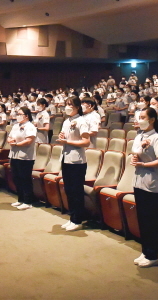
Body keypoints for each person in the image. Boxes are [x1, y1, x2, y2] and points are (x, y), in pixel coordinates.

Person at [131, 107, 158, 268]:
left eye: (143, 117)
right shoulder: (139, 135)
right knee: (142, 219)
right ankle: (145, 251)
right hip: (139, 180)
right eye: (139, 117)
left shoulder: (157, 138)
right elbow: (135, 153)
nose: (140, 120)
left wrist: (144, 163)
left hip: (151, 183)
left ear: (152, 119)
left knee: (151, 220)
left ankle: (152, 254)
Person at [57, 96, 90, 232]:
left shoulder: (81, 121)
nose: (67, 107)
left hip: (77, 161)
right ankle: (72, 218)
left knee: (76, 191)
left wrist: (68, 142)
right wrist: (62, 137)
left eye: (70, 104)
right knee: (69, 190)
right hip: (66, 158)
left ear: (77, 107)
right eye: (66, 104)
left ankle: (78, 220)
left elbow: (86, 141)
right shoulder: (66, 121)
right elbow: (65, 137)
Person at [8, 107, 37, 210]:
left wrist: (17, 144)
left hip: (25, 156)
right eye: (17, 114)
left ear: (26, 116)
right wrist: (10, 141)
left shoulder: (30, 126)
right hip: (14, 155)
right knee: (16, 178)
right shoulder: (15, 126)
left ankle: (28, 201)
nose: (18, 116)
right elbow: (9, 137)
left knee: (25, 179)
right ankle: (20, 199)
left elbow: (29, 140)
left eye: (20, 114)